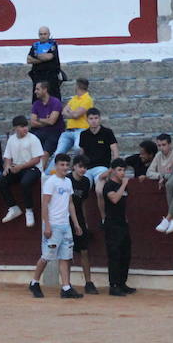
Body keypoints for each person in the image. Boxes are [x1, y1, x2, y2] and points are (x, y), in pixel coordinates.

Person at [27, 153, 83, 299]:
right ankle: (34, 282)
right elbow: (44, 203)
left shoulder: (68, 182)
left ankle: (65, 287)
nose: (65, 167)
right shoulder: (51, 182)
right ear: (56, 166)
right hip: (54, 225)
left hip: (65, 225)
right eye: (62, 165)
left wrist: (75, 223)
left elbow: (70, 203)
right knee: (46, 256)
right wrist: (47, 226)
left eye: (66, 165)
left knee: (65, 257)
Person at [0, 116, 46, 226]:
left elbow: (36, 159)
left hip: (33, 168)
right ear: (15, 128)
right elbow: (7, 157)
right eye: (22, 127)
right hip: (17, 167)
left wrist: (20, 167)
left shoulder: (33, 139)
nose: (25, 129)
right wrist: (7, 167)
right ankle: (13, 208)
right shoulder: (11, 139)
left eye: (26, 126)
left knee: (25, 182)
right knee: (0, 180)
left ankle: (29, 210)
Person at [101, 158, 136, 296]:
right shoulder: (109, 185)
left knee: (125, 254)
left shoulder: (122, 186)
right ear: (113, 171)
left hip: (122, 223)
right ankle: (114, 285)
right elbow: (114, 199)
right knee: (114, 255)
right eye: (119, 170)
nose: (122, 173)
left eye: (124, 170)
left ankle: (122, 283)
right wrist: (124, 184)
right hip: (112, 224)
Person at [68, 156, 99, 295]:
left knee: (84, 251)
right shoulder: (66, 180)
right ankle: (66, 284)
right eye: (80, 166)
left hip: (79, 218)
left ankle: (88, 282)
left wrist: (84, 222)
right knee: (67, 253)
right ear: (73, 166)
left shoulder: (86, 182)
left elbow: (83, 203)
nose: (83, 169)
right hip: (65, 219)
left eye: (85, 167)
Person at [56, 79, 94, 164]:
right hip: (69, 131)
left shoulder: (87, 99)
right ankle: (50, 173)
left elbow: (76, 115)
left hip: (81, 130)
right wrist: (73, 114)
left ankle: (79, 166)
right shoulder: (74, 98)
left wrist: (71, 113)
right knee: (58, 154)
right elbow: (63, 112)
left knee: (78, 148)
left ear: (77, 86)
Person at [78, 108, 120, 186]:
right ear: (87, 120)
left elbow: (115, 151)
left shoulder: (107, 132)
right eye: (91, 118)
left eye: (96, 118)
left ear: (100, 119)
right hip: (87, 168)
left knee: (99, 190)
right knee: (83, 188)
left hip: (102, 167)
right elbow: (81, 153)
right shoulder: (83, 134)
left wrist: (113, 168)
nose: (93, 121)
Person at [29, 81, 65, 167]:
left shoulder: (55, 102)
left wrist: (39, 119)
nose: (35, 91)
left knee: (45, 154)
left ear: (45, 90)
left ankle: (41, 175)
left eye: (37, 89)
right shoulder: (36, 104)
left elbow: (52, 121)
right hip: (40, 132)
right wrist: (46, 121)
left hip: (54, 133)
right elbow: (33, 123)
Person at [26, 26, 64, 100]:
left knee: (53, 98)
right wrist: (43, 58)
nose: (43, 36)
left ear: (49, 34)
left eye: (45, 34)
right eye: (41, 34)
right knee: (37, 99)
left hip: (51, 77)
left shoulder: (53, 44)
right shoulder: (35, 45)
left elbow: (49, 57)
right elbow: (29, 60)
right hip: (38, 77)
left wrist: (36, 56)